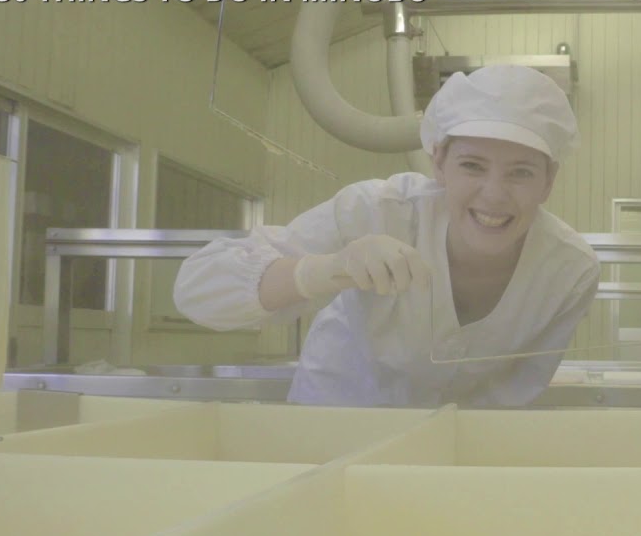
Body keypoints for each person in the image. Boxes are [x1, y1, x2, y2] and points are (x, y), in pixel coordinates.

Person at [174, 64, 600, 407]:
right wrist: (326, 270)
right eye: (472, 165)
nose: (494, 194)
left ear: (548, 182)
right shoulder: (376, 211)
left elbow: (518, 391)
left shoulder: (568, 271)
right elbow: (197, 290)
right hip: (334, 429)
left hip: (453, 455)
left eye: (521, 172)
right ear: (439, 164)